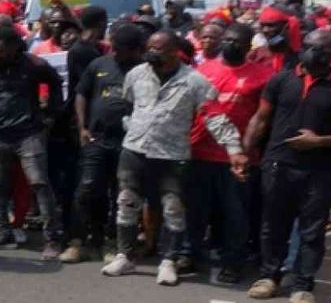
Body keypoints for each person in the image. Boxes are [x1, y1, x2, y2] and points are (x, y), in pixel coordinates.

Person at [101, 31, 245, 283]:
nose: (151, 53)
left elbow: (214, 116)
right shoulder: (136, 74)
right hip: (134, 150)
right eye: (149, 47)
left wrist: (233, 149)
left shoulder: (194, 81)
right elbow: (127, 105)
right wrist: (132, 127)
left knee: (173, 208)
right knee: (126, 202)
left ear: (173, 52)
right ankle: (125, 255)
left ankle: (169, 260)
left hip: (172, 155)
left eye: (158, 48)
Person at [243, 29, 331, 303]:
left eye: (320, 48)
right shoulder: (281, 79)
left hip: (321, 171)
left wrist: (319, 141)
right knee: (273, 224)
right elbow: (260, 119)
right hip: (278, 164)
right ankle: (269, 277)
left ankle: (302, 287)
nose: (312, 52)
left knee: (311, 231)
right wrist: (246, 152)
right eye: (308, 46)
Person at [181, 23, 271, 283]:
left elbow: (263, 118)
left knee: (235, 213)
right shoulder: (203, 70)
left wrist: (248, 150)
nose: (229, 45)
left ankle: (234, 262)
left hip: (237, 157)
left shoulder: (263, 75)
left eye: (236, 42)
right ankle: (189, 254)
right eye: (227, 40)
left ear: (247, 46)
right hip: (199, 151)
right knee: (195, 209)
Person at [0, 25, 67, 259]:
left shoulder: (34, 65)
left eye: (0, 51)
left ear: (14, 48)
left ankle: (52, 238)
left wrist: (51, 113)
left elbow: (55, 83)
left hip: (29, 134)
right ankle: (3, 231)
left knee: (39, 184)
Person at [66, 24, 146, 263]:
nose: (115, 52)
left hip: (129, 143)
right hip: (96, 139)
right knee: (87, 188)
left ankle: (110, 242)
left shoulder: (145, 72)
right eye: (114, 47)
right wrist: (82, 126)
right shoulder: (99, 64)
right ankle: (78, 241)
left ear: (135, 50)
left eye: (121, 49)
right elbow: (81, 93)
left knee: (120, 193)